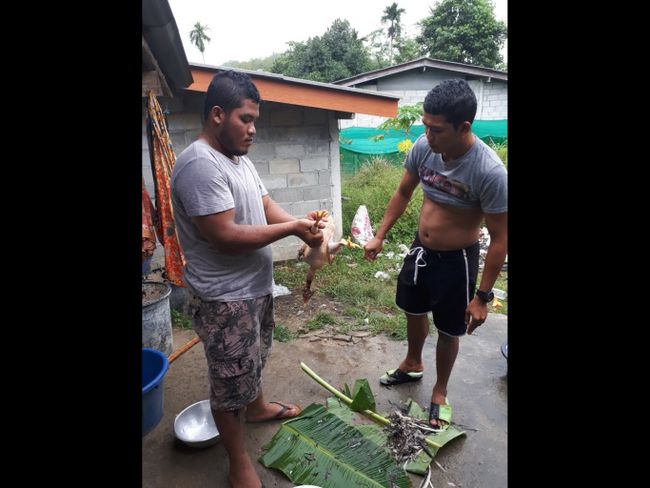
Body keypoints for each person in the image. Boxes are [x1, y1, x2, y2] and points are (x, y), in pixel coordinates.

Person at [171, 70, 325, 488]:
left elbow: (265, 206)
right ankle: (239, 463)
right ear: (217, 114)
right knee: (228, 383)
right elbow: (225, 236)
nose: (253, 129)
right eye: (246, 119)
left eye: (255, 120)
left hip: (253, 289)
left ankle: (255, 408)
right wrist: (292, 229)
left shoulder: (239, 160)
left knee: (252, 361)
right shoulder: (199, 165)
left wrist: (301, 224)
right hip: (224, 299)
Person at [364, 79, 507, 431]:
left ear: (464, 128)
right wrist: (379, 235)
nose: (428, 135)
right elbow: (403, 192)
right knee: (412, 309)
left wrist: (482, 297)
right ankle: (413, 362)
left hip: (456, 260)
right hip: (420, 249)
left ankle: (440, 392)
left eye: (436, 129)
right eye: (425, 126)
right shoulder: (424, 147)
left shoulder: (488, 171)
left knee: (448, 328)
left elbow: (502, 239)